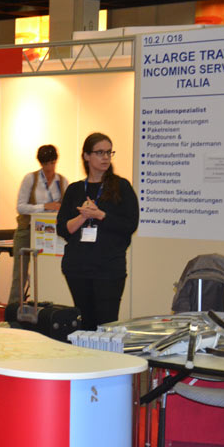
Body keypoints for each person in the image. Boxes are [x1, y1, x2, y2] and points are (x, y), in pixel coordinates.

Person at [56, 133, 139, 330]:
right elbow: (63, 229)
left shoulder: (121, 187)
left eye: (109, 152)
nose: (106, 157)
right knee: (85, 325)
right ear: (86, 156)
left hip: (108, 268)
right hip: (77, 267)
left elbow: (130, 225)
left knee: (106, 325)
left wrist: (100, 215)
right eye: (100, 152)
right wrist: (84, 216)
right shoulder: (75, 189)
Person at [2, 144, 66, 305]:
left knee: (49, 270)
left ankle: (48, 306)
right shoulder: (30, 179)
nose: (49, 167)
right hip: (27, 230)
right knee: (20, 273)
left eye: (52, 163)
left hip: (51, 233)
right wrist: (44, 206)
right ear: (40, 163)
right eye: (46, 164)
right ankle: (13, 308)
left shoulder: (62, 181)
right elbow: (20, 207)